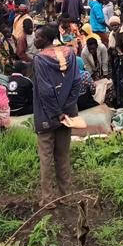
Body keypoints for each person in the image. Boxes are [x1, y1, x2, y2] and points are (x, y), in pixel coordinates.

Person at [32, 24, 79, 206]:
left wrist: (56, 113)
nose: (35, 40)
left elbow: (45, 91)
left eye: (37, 37)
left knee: (46, 157)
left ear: (45, 39)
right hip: (67, 114)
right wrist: (66, 109)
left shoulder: (39, 60)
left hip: (47, 115)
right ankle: (66, 195)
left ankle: (48, 198)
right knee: (63, 155)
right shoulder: (70, 54)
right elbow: (76, 83)